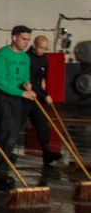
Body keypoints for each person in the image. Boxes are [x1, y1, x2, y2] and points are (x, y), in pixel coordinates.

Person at [0, 26, 38, 191]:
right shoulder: (2, 54)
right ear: (14, 37)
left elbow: (25, 77)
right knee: (6, 133)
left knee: (12, 134)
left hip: (16, 98)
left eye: (28, 40)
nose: (26, 43)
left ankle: (1, 170)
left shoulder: (25, 58)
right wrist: (22, 92)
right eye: (24, 39)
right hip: (1, 97)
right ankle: (0, 173)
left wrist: (27, 85)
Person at [24, 34, 63, 165]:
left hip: (37, 96)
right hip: (24, 97)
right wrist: (45, 95)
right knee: (14, 125)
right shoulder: (26, 58)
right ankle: (6, 153)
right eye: (41, 48)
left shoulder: (44, 58)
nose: (43, 51)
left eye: (45, 48)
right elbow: (29, 80)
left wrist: (43, 90)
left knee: (42, 125)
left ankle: (47, 152)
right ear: (34, 45)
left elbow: (42, 78)